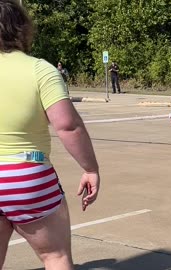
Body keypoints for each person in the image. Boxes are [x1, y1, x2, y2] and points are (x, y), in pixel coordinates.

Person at [0, 1, 100, 269]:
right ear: (21, 28)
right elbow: (67, 125)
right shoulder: (40, 70)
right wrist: (90, 168)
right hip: (26, 175)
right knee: (55, 256)